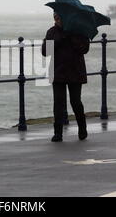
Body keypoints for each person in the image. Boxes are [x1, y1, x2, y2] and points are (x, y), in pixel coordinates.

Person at [42, 12, 90, 142]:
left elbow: (85, 49)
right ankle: (58, 133)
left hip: (75, 71)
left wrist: (71, 37)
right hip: (58, 71)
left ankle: (82, 128)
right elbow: (45, 52)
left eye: (59, 18)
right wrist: (59, 39)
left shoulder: (79, 31)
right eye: (55, 18)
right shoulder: (52, 32)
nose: (57, 20)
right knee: (58, 102)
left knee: (75, 101)